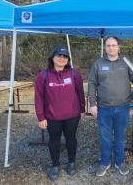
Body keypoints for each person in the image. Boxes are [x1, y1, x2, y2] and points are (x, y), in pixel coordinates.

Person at [88, 36, 133, 176]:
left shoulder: (125, 62)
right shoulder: (98, 64)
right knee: (105, 137)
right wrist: (92, 104)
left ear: (119, 47)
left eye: (113, 45)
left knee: (120, 137)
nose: (111, 48)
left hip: (123, 108)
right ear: (105, 48)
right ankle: (105, 162)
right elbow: (92, 84)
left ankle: (120, 162)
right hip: (104, 108)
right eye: (108, 45)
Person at [35, 46, 85, 181]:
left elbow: (80, 92)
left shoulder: (74, 73)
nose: (62, 58)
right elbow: (38, 97)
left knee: (71, 138)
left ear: (68, 59)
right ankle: (55, 165)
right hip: (52, 117)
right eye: (59, 55)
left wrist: (82, 109)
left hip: (72, 115)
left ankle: (71, 162)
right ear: (53, 57)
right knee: (54, 140)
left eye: (65, 56)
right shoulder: (43, 75)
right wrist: (41, 117)